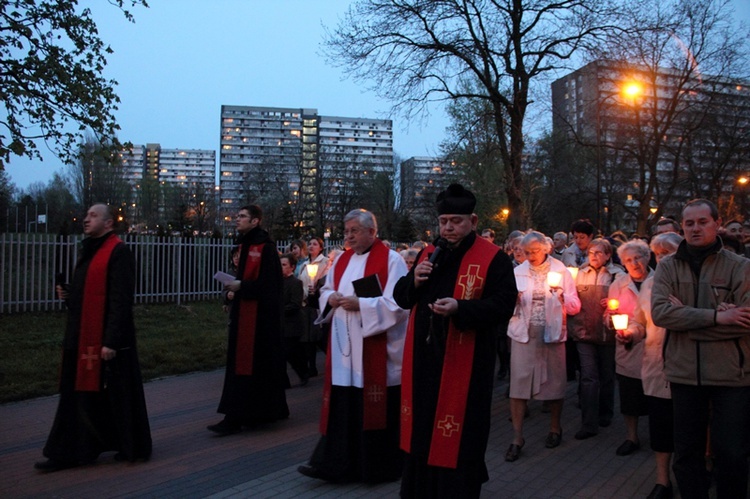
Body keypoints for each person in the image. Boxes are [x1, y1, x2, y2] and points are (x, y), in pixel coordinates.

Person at [394, 184, 517, 498]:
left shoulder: (493, 259)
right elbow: (402, 298)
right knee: (422, 431)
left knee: (461, 436)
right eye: (444, 221)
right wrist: (413, 280)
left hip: (466, 364)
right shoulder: (427, 253)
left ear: (473, 221)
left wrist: (461, 308)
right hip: (424, 362)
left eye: (456, 221)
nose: (448, 227)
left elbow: (504, 305)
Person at [35, 204, 152, 472]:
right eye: (86, 215)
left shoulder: (118, 252)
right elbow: (87, 295)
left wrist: (110, 341)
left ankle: (115, 446)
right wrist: (69, 294)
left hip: (107, 341)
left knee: (114, 397)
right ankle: (74, 450)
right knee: (78, 397)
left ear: (109, 223)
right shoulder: (89, 250)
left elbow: (120, 299)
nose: (86, 219)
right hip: (80, 336)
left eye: (93, 215)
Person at [298, 209, 409, 483]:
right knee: (344, 406)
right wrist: (331, 297)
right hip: (345, 352)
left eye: (354, 231)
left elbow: (400, 303)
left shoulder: (392, 260)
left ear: (372, 232)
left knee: (372, 409)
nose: (348, 236)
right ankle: (335, 464)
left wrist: (363, 305)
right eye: (346, 231)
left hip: (375, 350)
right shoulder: (344, 259)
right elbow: (326, 290)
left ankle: (374, 467)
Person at [651, 199, 750, 499]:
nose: (695, 228)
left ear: (716, 223)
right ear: (682, 226)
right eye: (689, 223)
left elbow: (745, 320)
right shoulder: (667, 265)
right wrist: (718, 316)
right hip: (683, 374)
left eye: (702, 222)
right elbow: (661, 314)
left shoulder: (741, 267)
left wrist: (687, 321)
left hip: (731, 375)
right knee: (687, 454)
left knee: (732, 453)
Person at [208, 205, 289, 435]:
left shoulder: (265, 248)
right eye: (238, 216)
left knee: (253, 367)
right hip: (244, 315)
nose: (237, 219)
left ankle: (238, 417)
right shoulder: (244, 245)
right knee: (245, 367)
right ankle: (254, 413)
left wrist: (242, 286)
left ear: (255, 221)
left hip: (260, 322)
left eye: (242, 216)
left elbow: (271, 287)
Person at [505, 231, 580, 462]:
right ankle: (517, 437)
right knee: (518, 386)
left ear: (546, 249)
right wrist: (511, 301)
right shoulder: (516, 271)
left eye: (534, 251)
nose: (529, 256)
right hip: (523, 334)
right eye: (525, 252)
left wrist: (562, 299)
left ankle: (555, 428)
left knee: (555, 383)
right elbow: (502, 305)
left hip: (552, 333)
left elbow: (575, 306)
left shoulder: (560, 270)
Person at [626, 232, 683, 499]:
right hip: (656, 366)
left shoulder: (689, 282)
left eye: (669, 251)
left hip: (688, 369)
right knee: (660, 428)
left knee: (689, 429)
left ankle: (697, 472)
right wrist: (631, 333)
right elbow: (640, 322)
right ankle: (663, 481)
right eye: (659, 253)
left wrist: (683, 310)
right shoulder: (649, 285)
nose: (664, 257)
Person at [568, 238, 624, 440]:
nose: (594, 256)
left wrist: (614, 302)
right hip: (584, 332)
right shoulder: (579, 274)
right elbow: (571, 299)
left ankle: (605, 413)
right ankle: (589, 422)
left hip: (607, 333)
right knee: (589, 377)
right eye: (591, 252)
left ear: (608, 255)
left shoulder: (618, 275)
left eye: (599, 252)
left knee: (607, 375)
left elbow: (626, 302)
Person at [608, 240, 652, 457]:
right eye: (628, 260)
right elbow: (609, 313)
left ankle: (658, 437)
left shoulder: (659, 281)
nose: (633, 263)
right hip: (628, 346)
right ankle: (631, 436)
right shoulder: (618, 284)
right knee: (629, 395)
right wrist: (612, 320)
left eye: (637, 258)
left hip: (654, 348)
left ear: (648, 257)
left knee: (655, 396)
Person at [298, 237, 328, 377]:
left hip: (316, 303)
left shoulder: (325, 262)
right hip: (305, 302)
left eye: (315, 244)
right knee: (307, 337)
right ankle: (311, 366)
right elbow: (300, 282)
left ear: (320, 248)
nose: (311, 246)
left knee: (319, 336)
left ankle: (332, 361)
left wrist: (316, 289)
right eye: (309, 244)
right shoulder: (305, 264)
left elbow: (326, 281)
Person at [280, 253, 308, 387]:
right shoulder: (276, 282)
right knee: (281, 354)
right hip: (279, 324)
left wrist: (278, 310)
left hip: (292, 325)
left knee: (291, 353)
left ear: (292, 267)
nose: (281, 267)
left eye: (284, 265)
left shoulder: (296, 283)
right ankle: (283, 382)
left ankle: (303, 373)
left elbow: (295, 304)